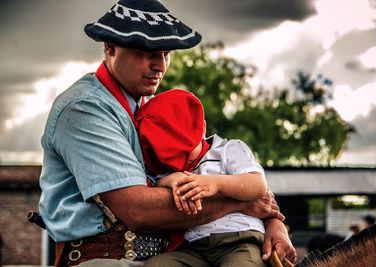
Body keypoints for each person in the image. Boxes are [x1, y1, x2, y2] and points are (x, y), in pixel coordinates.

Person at [37, 0, 296, 266]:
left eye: (165, 53)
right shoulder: (85, 107)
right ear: (110, 47)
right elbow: (139, 210)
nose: (160, 65)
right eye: (146, 51)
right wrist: (237, 203)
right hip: (107, 259)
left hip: (176, 255)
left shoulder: (151, 109)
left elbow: (224, 169)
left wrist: (273, 222)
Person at [133, 89, 292, 267]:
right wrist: (171, 180)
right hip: (193, 247)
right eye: (173, 154)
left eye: (187, 149)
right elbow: (157, 184)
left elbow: (257, 185)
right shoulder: (170, 169)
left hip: (238, 240)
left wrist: (216, 183)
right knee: (157, 265)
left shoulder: (228, 150)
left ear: (202, 128)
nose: (182, 159)